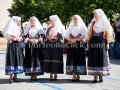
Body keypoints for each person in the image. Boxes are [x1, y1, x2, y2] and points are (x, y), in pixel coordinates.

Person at [86, 9, 112, 83]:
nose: (94, 15)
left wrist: (107, 43)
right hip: (93, 41)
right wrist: (88, 42)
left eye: (95, 14)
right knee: (94, 57)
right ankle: (95, 76)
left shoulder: (104, 23)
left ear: (99, 14)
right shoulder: (93, 23)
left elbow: (107, 34)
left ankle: (101, 75)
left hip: (101, 42)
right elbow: (89, 33)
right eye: (94, 14)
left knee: (101, 57)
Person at [65, 15, 87, 81]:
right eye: (73, 19)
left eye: (76, 19)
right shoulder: (71, 27)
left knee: (79, 59)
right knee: (72, 59)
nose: (74, 20)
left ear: (78, 20)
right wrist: (70, 40)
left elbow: (86, 36)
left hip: (79, 46)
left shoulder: (82, 27)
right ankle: (73, 75)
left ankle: (78, 75)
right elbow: (66, 36)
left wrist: (79, 39)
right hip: (72, 46)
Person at [2, 16, 24, 83]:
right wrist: (15, 38)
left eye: (20, 21)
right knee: (11, 60)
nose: (20, 23)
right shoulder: (10, 29)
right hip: (12, 46)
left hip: (18, 46)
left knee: (17, 60)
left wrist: (21, 38)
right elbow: (8, 36)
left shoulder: (19, 29)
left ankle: (15, 77)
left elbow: (21, 36)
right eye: (18, 21)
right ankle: (10, 77)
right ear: (15, 22)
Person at [43, 15, 64, 81]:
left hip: (56, 46)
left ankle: (55, 74)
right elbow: (45, 37)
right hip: (49, 46)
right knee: (49, 58)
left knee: (55, 59)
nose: (50, 21)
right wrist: (47, 37)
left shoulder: (59, 28)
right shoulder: (49, 28)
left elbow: (61, 38)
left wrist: (54, 37)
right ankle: (50, 74)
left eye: (51, 20)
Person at [24, 16, 44, 81]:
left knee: (36, 59)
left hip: (37, 46)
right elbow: (24, 37)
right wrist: (29, 40)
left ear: (36, 21)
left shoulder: (39, 29)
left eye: (34, 20)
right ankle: (31, 74)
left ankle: (35, 75)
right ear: (30, 21)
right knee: (30, 59)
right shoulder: (27, 29)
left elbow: (42, 37)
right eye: (31, 20)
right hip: (29, 46)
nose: (32, 21)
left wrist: (38, 40)